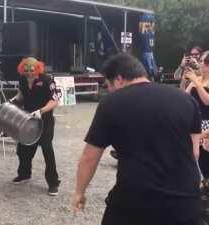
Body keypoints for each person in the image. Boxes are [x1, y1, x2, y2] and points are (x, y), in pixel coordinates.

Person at [73, 53, 201, 225]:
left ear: (118, 78)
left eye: (108, 84)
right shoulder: (186, 99)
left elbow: (89, 157)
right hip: (185, 202)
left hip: (135, 202)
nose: (109, 89)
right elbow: (194, 153)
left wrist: (79, 192)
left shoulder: (111, 103)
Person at [9, 57, 61, 196]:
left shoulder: (47, 80)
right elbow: (22, 94)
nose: (28, 73)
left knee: (47, 151)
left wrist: (41, 111)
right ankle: (24, 174)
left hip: (44, 120)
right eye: (25, 70)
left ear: (37, 68)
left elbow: (55, 101)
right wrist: (14, 100)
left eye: (31, 70)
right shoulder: (22, 80)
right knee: (23, 147)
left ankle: (53, 183)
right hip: (28, 119)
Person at [185, 51, 209, 191]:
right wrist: (185, 79)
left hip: (207, 123)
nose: (198, 64)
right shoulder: (198, 79)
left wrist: (195, 81)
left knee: (205, 160)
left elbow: (207, 101)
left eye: (201, 62)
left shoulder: (198, 81)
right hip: (194, 122)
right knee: (192, 157)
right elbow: (184, 96)